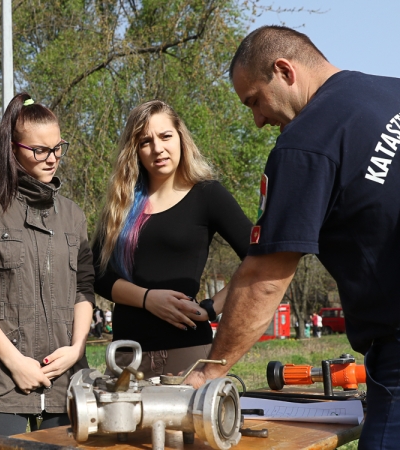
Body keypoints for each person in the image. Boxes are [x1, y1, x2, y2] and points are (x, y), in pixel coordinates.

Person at [183, 25, 400, 449]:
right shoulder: (390, 89)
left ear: (284, 70)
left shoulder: (305, 143)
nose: (259, 120)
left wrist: (209, 371)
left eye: (255, 101)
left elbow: (266, 278)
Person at [0, 92, 94, 436]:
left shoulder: (73, 215)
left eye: (58, 147)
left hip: (66, 381)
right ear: (13, 149)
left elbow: (84, 288)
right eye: (40, 150)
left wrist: (75, 349)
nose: (52, 158)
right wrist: (15, 363)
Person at [93, 100, 252, 377]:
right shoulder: (122, 202)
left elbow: (259, 258)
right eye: (145, 141)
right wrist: (147, 299)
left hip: (188, 356)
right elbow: (97, 273)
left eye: (165, 136)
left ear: (180, 137)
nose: (157, 148)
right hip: (127, 359)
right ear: (135, 151)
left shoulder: (208, 195)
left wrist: (211, 308)